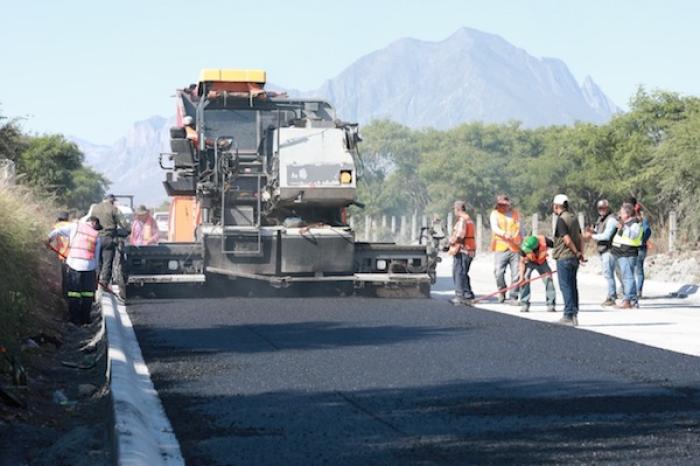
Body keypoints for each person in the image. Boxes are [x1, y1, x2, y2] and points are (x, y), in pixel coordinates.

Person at [47, 216, 102, 325]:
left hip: (74, 265)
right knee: (88, 294)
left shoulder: (75, 227)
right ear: (94, 223)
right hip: (89, 267)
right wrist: (95, 273)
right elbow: (96, 257)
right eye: (96, 226)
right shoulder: (97, 236)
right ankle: (85, 319)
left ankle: (74, 319)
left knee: (74, 293)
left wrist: (48, 239)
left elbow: (57, 231)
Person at [551, 194, 584, 326]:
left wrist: (576, 252)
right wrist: (581, 253)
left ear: (557, 206)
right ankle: (574, 313)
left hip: (564, 257)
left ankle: (568, 315)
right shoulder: (574, 218)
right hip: (574, 258)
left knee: (565, 286)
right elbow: (580, 237)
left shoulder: (561, 220)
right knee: (573, 286)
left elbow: (566, 239)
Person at [583, 199, 619, 306]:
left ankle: (611, 296)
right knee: (608, 274)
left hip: (609, 250)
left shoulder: (611, 220)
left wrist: (591, 236)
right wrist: (592, 231)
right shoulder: (601, 219)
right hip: (603, 250)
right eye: (600, 208)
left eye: (604, 208)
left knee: (609, 274)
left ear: (608, 208)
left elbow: (606, 236)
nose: (602, 210)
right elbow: (599, 232)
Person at [489, 194, 523, 304]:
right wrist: (504, 234)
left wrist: (522, 242)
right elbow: (495, 228)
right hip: (501, 247)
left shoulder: (515, 214)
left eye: (504, 205)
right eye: (500, 205)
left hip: (515, 247)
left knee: (516, 273)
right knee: (499, 272)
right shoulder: (495, 214)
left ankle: (513, 296)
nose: (502, 207)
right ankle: (502, 291)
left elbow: (520, 228)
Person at [90, 194, 129, 287]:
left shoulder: (95, 208)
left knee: (96, 261)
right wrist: (127, 230)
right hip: (108, 238)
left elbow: (91, 223)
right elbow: (124, 224)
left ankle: (95, 280)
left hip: (96, 238)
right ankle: (103, 283)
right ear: (112, 201)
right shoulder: (114, 209)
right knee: (107, 262)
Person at [611, 203, 643, 309]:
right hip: (621, 253)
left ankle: (627, 300)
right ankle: (632, 300)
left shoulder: (635, 224)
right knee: (627, 277)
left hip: (628, 253)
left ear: (627, 214)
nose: (620, 214)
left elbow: (633, 236)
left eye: (622, 212)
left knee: (628, 277)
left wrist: (623, 228)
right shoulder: (625, 223)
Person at [517, 235, 556, 313]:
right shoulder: (523, 247)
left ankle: (551, 304)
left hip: (542, 262)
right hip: (530, 262)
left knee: (549, 280)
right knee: (525, 280)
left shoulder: (545, 241)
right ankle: (525, 304)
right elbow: (521, 262)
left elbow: (558, 246)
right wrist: (521, 277)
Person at [448, 201, 476, 305]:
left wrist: (450, 243)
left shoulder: (462, 220)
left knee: (458, 273)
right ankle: (468, 294)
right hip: (469, 249)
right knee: (464, 273)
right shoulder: (469, 220)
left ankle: (459, 296)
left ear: (458, 209)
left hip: (463, 250)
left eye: (455, 209)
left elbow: (460, 236)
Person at [625, 197, 652, 299]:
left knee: (635, 270)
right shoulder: (640, 217)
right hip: (637, 247)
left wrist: (641, 240)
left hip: (637, 248)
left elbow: (647, 230)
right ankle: (637, 291)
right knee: (637, 270)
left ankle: (634, 292)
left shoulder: (637, 218)